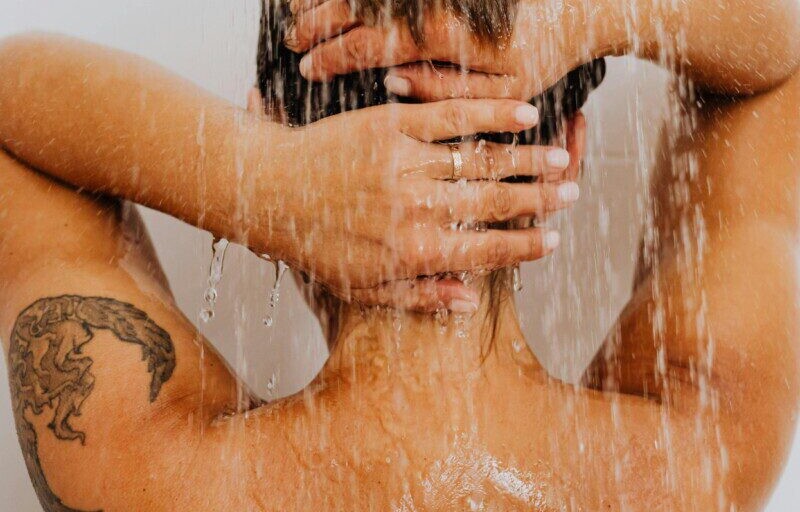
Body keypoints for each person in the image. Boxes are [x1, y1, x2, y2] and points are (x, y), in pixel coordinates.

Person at [0, 2, 797, 512]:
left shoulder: (151, 477)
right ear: (569, 151)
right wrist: (599, 12)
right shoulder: (692, 463)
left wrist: (258, 180)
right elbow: (777, 63)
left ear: (266, 121)